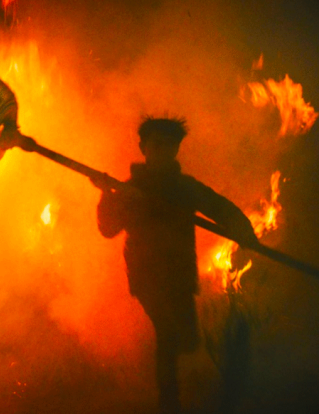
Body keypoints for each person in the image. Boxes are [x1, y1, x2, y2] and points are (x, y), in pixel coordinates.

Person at [91, 117, 258, 414]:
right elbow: (108, 228)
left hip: (180, 276)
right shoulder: (130, 189)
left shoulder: (184, 188)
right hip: (146, 276)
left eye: (169, 145)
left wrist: (243, 230)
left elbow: (217, 207)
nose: (162, 151)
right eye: (156, 144)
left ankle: (194, 389)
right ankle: (169, 403)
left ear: (176, 149)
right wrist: (107, 194)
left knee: (189, 340)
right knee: (167, 333)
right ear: (144, 148)